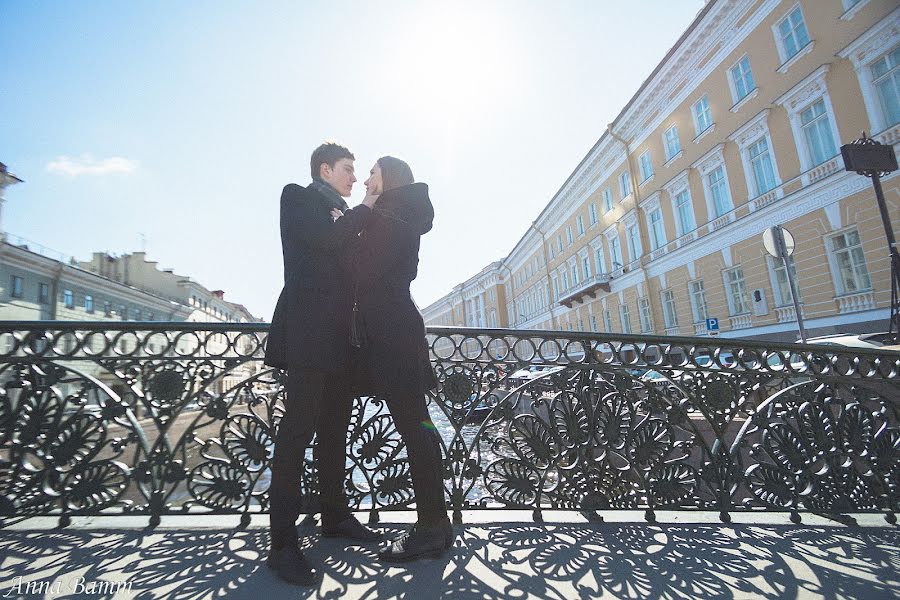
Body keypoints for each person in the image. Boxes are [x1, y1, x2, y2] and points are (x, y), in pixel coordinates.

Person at [264, 142, 382, 586]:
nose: (355, 179)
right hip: (309, 333)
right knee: (296, 434)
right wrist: (365, 206)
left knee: (335, 430)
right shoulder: (298, 196)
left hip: (340, 339)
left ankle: (334, 516)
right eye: (349, 170)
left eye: (357, 173)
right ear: (325, 169)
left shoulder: (343, 214)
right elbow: (325, 242)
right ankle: (281, 545)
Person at [343, 156, 452, 562]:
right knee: (418, 427)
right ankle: (437, 525)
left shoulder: (390, 215)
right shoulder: (401, 213)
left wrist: (361, 215)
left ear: (387, 178)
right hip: (398, 330)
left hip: (392, 333)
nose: (366, 179)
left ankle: (428, 530)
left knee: (415, 428)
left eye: (372, 172)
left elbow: (360, 269)